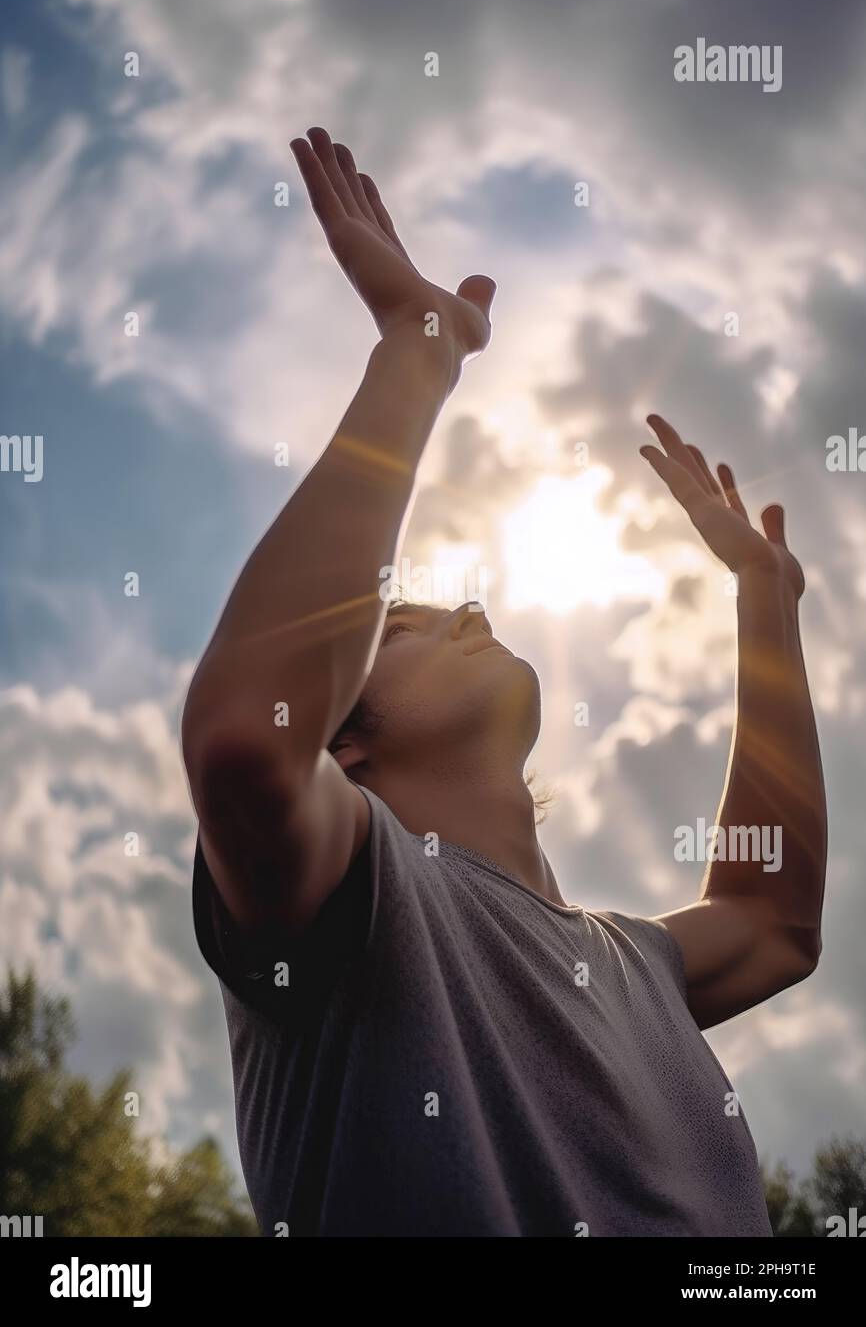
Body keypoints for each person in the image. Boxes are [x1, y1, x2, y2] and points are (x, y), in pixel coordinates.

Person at [181, 128, 827, 1237]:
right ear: (345, 743)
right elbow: (248, 730)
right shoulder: (354, 897)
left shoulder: (631, 962)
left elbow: (770, 919)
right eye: (412, 624)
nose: (470, 610)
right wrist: (417, 348)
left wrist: (762, 602)